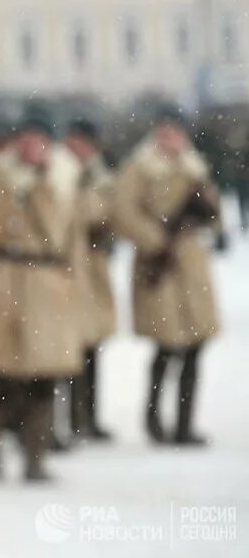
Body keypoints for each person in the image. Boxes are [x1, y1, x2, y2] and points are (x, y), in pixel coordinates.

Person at [0, 113, 83, 482]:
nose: (31, 147)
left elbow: (71, 236)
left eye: (39, 140)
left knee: (43, 380)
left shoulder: (62, 180)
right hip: (1, 281)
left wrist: (72, 287)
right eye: (25, 139)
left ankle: (35, 457)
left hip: (46, 283)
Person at [113, 109, 222, 447]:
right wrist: (156, 239)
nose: (169, 140)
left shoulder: (194, 169)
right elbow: (123, 212)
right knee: (165, 347)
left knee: (194, 347)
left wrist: (206, 216)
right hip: (158, 268)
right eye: (164, 132)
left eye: (175, 133)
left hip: (190, 266)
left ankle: (185, 423)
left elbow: (213, 214)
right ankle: (155, 419)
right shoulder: (139, 169)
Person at [63, 119, 116, 442]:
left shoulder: (101, 177)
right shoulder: (58, 174)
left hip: (93, 269)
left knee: (91, 347)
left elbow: (110, 212)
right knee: (62, 348)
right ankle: (65, 420)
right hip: (65, 268)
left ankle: (87, 416)